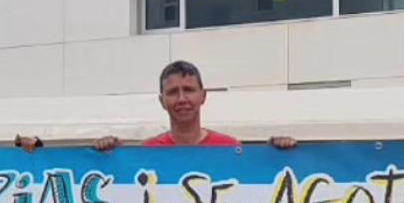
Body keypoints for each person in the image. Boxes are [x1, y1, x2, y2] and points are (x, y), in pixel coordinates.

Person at [94, 61, 297, 150]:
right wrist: (111, 157)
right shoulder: (148, 152)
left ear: (203, 96)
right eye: (173, 92)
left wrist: (277, 155)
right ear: (162, 101)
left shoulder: (229, 148)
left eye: (189, 90)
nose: (182, 99)